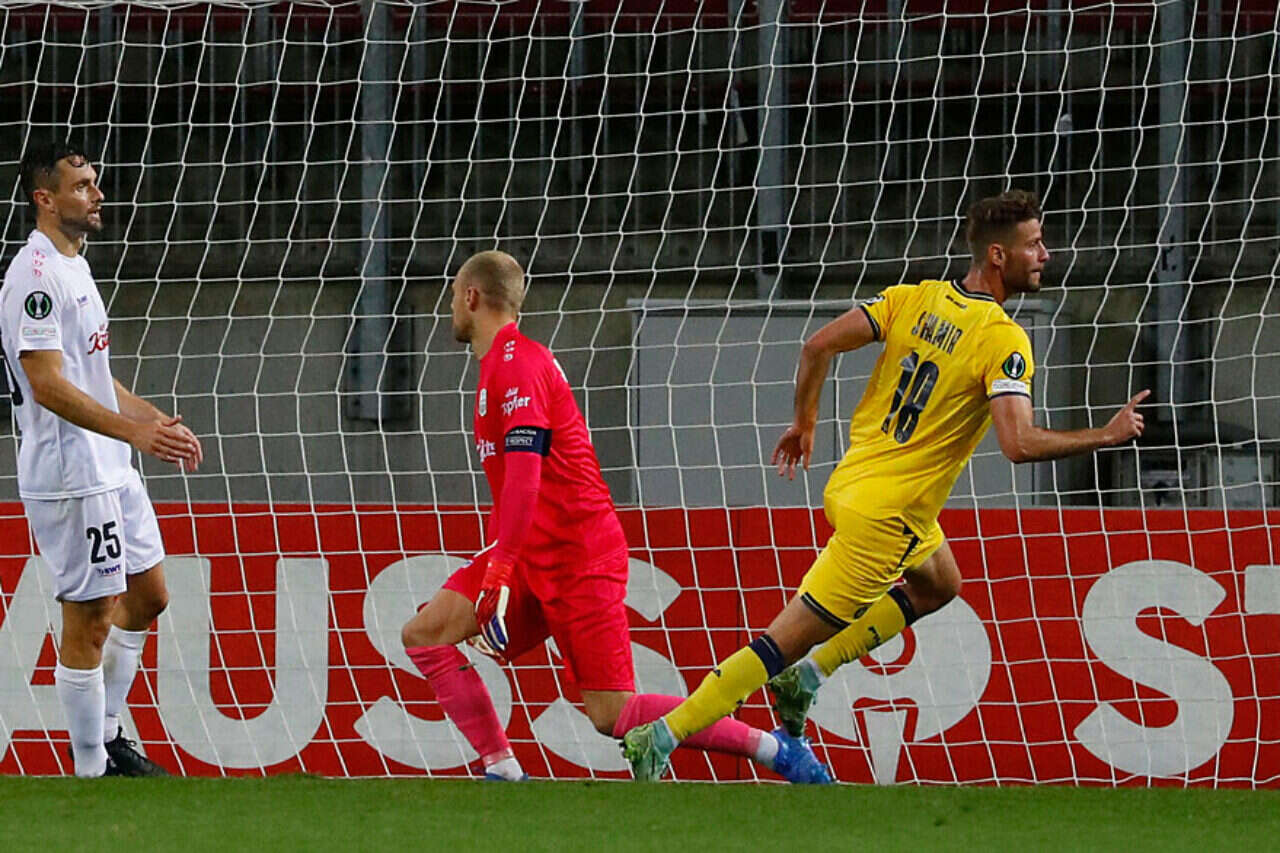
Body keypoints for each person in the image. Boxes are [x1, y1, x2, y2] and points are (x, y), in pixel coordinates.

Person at [623, 189, 1149, 780]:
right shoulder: (1003, 338)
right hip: (886, 519)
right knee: (780, 643)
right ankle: (663, 734)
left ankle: (808, 678)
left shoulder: (913, 298)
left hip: (855, 483)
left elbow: (818, 345)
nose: (1045, 255)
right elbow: (1019, 443)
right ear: (998, 256)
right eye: (1034, 244)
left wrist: (805, 423)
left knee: (940, 583)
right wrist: (1105, 434)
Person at [400, 250, 831, 782]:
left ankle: (774, 748)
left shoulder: (518, 365)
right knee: (425, 633)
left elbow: (525, 478)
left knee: (612, 714)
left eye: (451, 297)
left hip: (578, 553)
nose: (449, 309)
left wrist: (498, 569)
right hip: (534, 549)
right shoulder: (499, 366)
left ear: (471, 297)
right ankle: (502, 767)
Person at [2, 141, 203, 777]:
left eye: (95, 182)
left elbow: (92, 374)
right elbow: (46, 384)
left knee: (149, 595)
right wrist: (133, 435)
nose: (97, 194)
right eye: (82, 186)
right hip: (71, 474)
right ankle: (91, 768)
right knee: (89, 619)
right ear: (45, 199)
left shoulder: (76, 266)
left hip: (110, 464)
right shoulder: (35, 277)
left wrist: (151, 420)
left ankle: (109, 732)